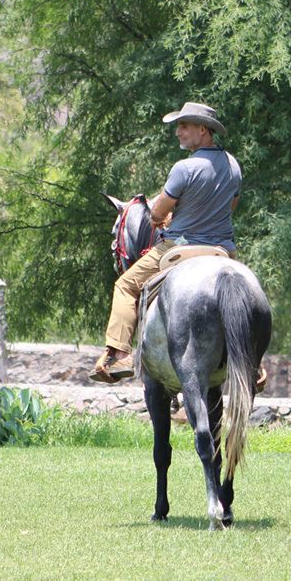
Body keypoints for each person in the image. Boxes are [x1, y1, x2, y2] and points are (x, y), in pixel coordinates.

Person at [90, 101, 242, 383]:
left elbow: (156, 213)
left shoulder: (184, 168)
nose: (178, 132)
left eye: (184, 126)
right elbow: (231, 206)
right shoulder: (233, 165)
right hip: (223, 251)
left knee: (125, 285)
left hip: (179, 248)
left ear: (203, 130)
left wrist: (164, 216)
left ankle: (119, 356)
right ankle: (253, 364)